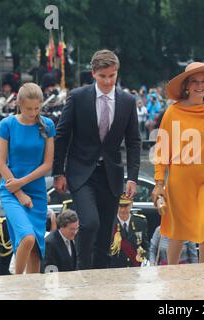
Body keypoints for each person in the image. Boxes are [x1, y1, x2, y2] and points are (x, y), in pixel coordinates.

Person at [53, 49, 141, 270]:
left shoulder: (127, 101)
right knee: (90, 223)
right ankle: (81, 269)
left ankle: (100, 284)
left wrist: (132, 178)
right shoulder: (78, 96)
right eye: (103, 76)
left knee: (104, 236)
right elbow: (62, 135)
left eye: (112, 76)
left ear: (116, 73)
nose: (108, 81)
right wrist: (58, 171)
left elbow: (134, 142)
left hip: (111, 175)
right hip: (81, 172)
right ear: (93, 73)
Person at [151, 61, 204, 264]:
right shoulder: (172, 112)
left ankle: (203, 273)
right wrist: (159, 183)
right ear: (186, 85)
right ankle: (172, 273)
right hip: (180, 181)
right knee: (178, 231)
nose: (200, 86)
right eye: (195, 81)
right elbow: (161, 150)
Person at [0, 83, 56, 274]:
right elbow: (1, 163)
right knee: (27, 238)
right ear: (19, 104)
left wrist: (22, 183)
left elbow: (47, 164)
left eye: (37, 108)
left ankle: (31, 294)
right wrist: (19, 191)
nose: (33, 112)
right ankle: (16, 283)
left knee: (36, 253)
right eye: (29, 108)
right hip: (11, 190)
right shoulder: (7, 124)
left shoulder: (48, 125)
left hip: (37, 193)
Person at [109, 195, 149, 268]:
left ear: (131, 204)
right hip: (114, 269)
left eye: (126, 206)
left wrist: (145, 260)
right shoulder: (109, 222)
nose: (123, 210)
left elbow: (145, 246)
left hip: (135, 268)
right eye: (120, 206)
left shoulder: (140, 222)